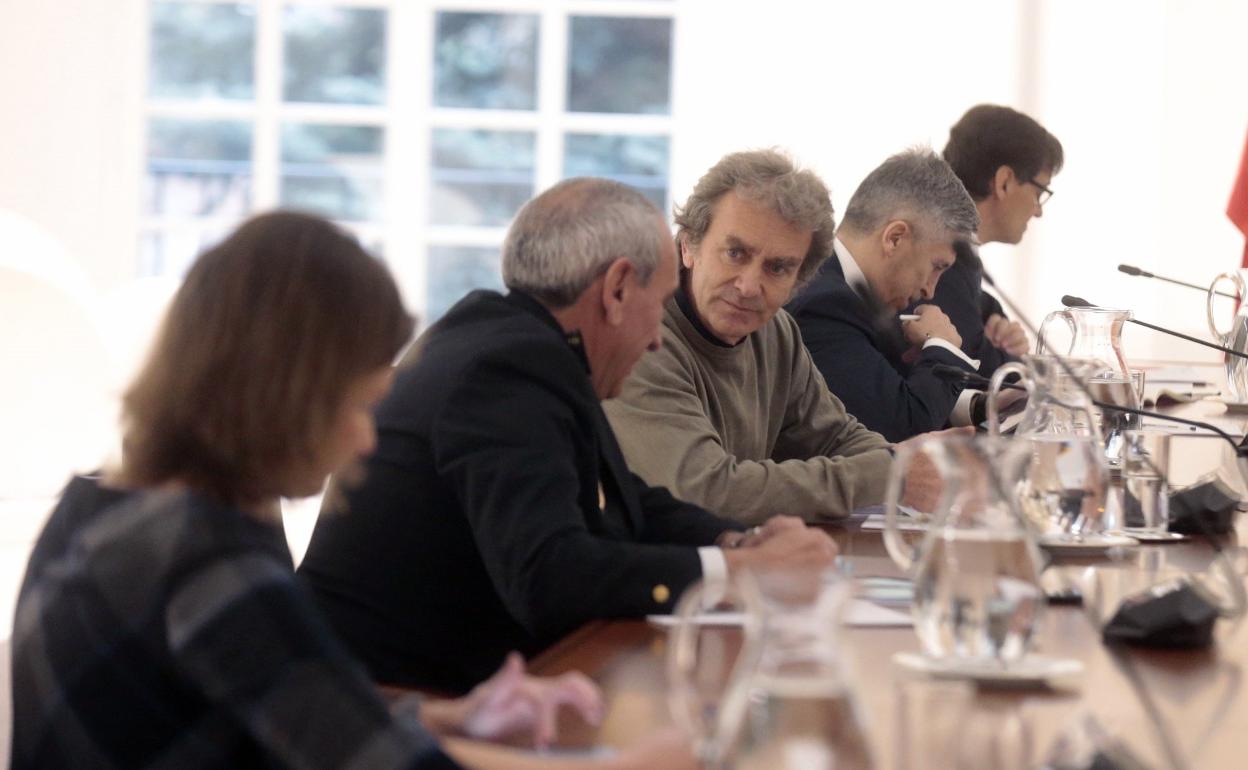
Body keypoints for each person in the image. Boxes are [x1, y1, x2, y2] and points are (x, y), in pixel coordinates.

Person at [9, 211, 697, 770]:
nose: (367, 441)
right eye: (357, 405)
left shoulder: (96, 512)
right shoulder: (210, 563)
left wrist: (444, 716)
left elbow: (260, 699)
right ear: (288, 394)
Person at [298, 178, 837, 694]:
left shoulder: (522, 345)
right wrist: (737, 573)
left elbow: (627, 500)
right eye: (662, 301)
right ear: (618, 289)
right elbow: (550, 577)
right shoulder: (508, 369)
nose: (656, 340)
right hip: (387, 709)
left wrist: (735, 541)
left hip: (458, 683)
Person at [602, 149, 948, 524]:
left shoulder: (774, 330)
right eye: (735, 253)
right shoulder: (639, 332)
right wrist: (891, 473)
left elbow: (835, 437)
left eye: (778, 267)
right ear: (689, 246)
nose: (750, 286)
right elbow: (707, 491)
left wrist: (921, 468)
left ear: (799, 280)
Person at [786, 148, 983, 442]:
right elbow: (901, 430)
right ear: (895, 238)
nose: (930, 290)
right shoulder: (824, 304)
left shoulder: (854, 294)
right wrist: (943, 347)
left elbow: (895, 393)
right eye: (936, 267)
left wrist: (982, 407)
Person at [927, 104, 1065, 375]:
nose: (1038, 211)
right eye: (1039, 193)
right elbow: (976, 369)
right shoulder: (939, 257)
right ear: (1004, 182)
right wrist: (1017, 361)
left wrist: (992, 316)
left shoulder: (956, 254)